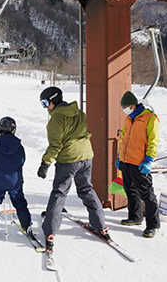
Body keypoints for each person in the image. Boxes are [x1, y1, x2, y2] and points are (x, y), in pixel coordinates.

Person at [37, 86, 109, 252]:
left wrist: (45, 164)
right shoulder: (79, 113)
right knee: (86, 189)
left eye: (45, 103)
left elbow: (55, 145)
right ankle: (100, 224)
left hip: (69, 160)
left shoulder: (55, 120)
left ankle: (50, 230)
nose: (45, 107)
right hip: (86, 156)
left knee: (59, 192)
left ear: (53, 100)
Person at [115, 91, 160, 238]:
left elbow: (153, 141)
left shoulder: (150, 118)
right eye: (122, 106)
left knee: (147, 194)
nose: (124, 108)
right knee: (130, 190)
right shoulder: (128, 119)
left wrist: (148, 160)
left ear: (133, 104)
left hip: (140, 162)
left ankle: (152, 225)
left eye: (126, 106)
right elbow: (123, 139)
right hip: (126, 160)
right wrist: (119, 157)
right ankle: (135, 217)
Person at [0, 116, 32, 240]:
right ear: (13, 130)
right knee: (19, 202)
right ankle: (27, 225)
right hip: (15, 180)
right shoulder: (19, 146)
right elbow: (21, 161)